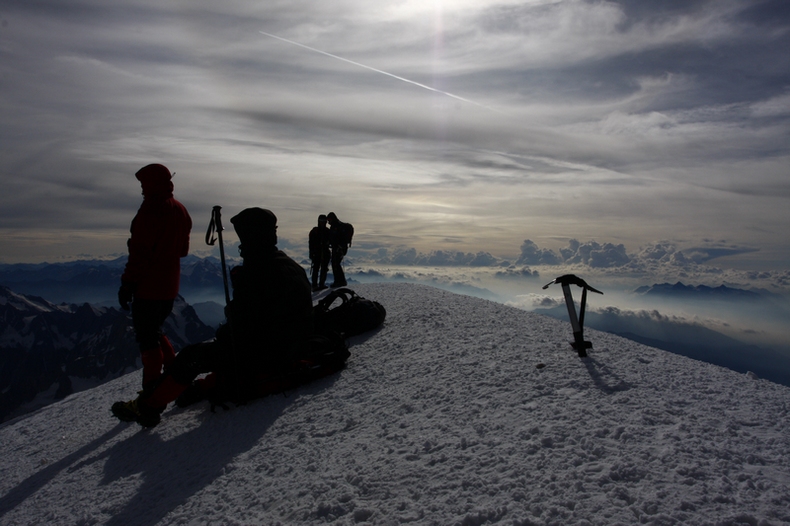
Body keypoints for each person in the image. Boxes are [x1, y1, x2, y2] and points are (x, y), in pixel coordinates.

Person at [112, 207, 314, 428]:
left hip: (267, 353)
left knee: (193, 356)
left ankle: (148, 407)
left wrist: (230, 319)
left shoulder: (258, 272)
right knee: (223, 352)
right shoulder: (287, 264)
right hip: (291, 346)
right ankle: (199, 388)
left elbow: (244, 325)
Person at [118, 163, 192, 390]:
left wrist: (128, 283)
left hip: (148, 287)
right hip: (170, 287)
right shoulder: (180, 209)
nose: (141, 189)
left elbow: (140, 253)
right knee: (154, 331)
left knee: (148, 339)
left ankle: (151, 393)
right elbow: (182, 251)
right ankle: (176, 376)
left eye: (143, 184)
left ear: (151, 184)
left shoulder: (151, 209)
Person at [326, 212, 352, 288]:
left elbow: (337, 238)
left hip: (338, 249)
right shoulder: (337, 226)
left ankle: (339, 281)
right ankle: (340, 281)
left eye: (329, 219)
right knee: (336, 264)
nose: (328, 221)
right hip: (338, 248)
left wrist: (338, 246)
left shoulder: (336, 226)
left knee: (335, 264)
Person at [308, 214, 331, 291]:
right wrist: (311, 252)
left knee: (322, 269)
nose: (323, 223)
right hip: (318, 252)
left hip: (323, 252)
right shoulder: (316, 231)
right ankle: (315, 285)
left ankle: (320, 284)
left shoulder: (318, 231)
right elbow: (311, 243)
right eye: (321, 221)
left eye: (324, 221)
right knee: (316, 268)